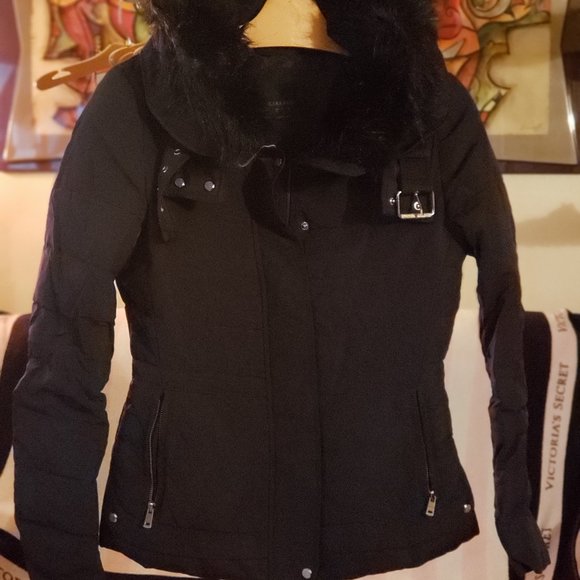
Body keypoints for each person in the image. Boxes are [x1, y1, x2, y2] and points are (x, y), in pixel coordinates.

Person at [12, 1, 551, 578]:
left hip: (385, 502)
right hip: (195, 512)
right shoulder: (138, 104)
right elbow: (65, 341)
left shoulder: (428, 108)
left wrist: (517, 509)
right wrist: (63, 559)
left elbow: (502, 291)